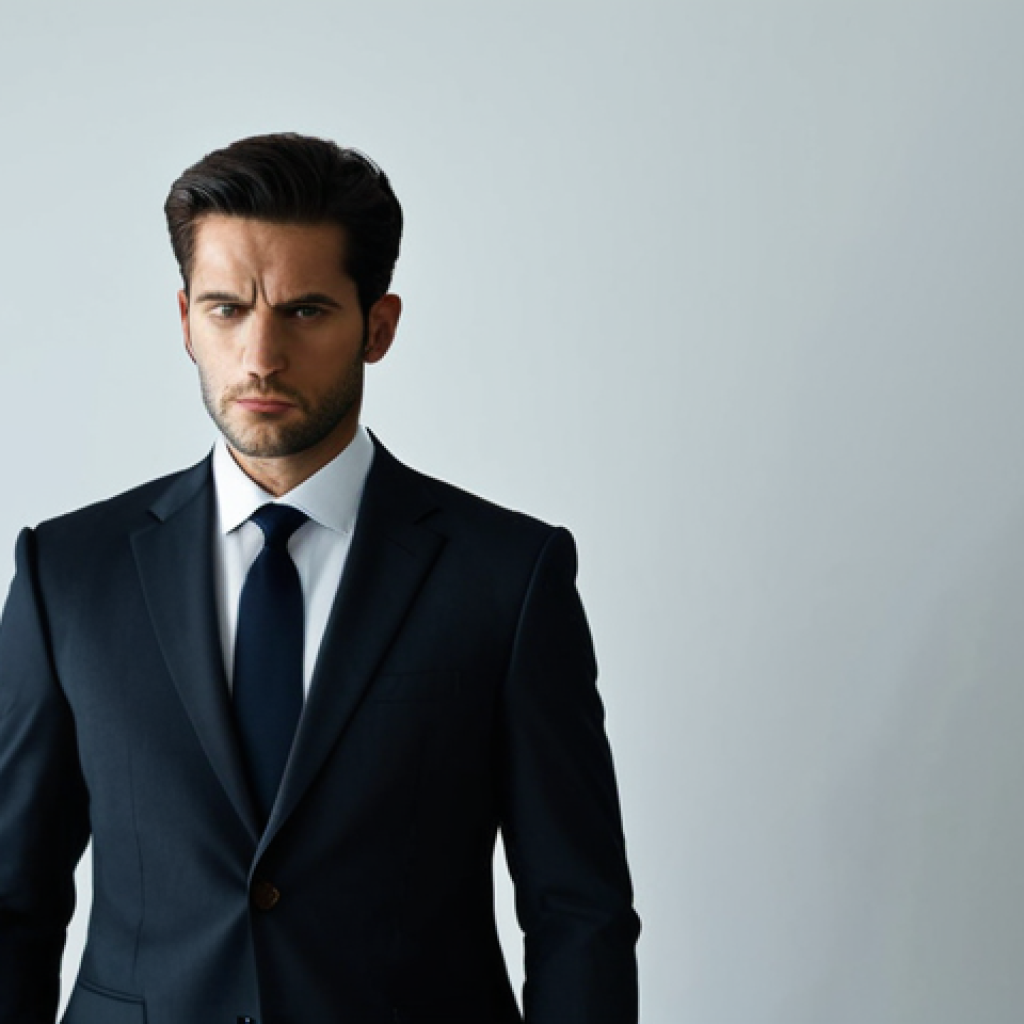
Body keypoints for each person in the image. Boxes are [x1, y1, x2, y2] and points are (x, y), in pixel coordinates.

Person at [0, 133, 640, 1024]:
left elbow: (580, 914)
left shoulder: (508, 577)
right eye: (227, 310)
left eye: (302, 312)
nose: (259, 355)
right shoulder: (66, 574)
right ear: (184, 318)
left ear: (378, 326)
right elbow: (10, 904)